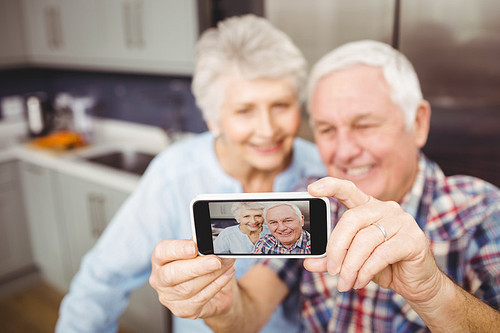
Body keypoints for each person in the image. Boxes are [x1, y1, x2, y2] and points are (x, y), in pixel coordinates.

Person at [149, 40, 500, 332]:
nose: (344, 151)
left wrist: (433, 291)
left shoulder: (482, 211)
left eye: (364, 124)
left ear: (418, 123)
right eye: (327, 130)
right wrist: (222, 308)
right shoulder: (313, 200)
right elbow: (250, 309)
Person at [56, 14, 326, 333]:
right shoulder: (174, 173)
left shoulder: (321, 171)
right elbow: (103, 280)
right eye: (244, 110)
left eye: (280, 105)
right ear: (213, 120)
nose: (267, 130)